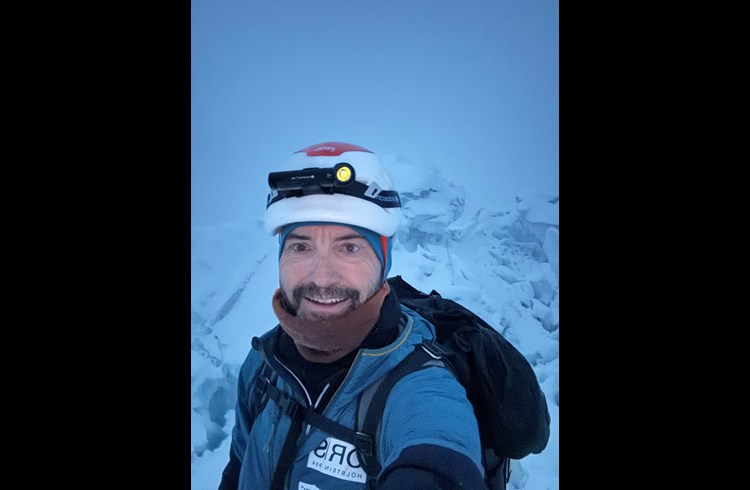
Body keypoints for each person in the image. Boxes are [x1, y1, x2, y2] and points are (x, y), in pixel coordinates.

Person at [219, 141, 487, 489]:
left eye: (349, 247)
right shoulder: (263, 367)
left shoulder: (419, 387)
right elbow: (239, 467)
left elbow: (440, 457)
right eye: (301, 246)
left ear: (383, 262)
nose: (322, 277)